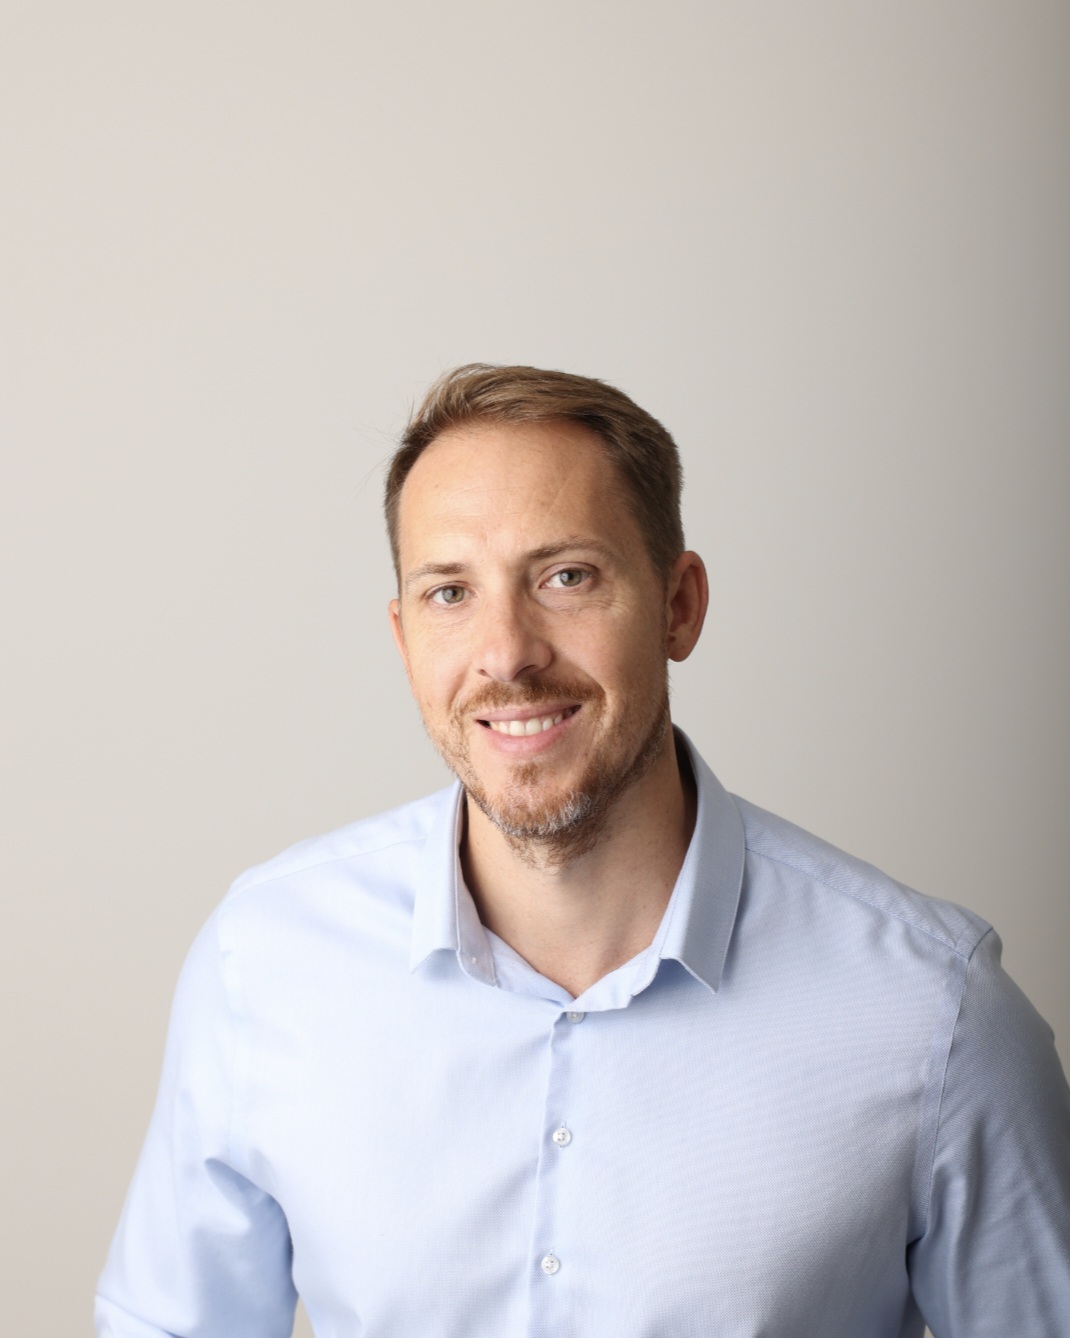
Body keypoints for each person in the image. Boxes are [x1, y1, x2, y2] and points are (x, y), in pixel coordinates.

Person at [96, 364, 1070, 1337]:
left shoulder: (932, 1012)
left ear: (678, 605)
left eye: (566, 577)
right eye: (449, 593)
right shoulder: (263, 964)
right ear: (402, 638)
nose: (507, 652)